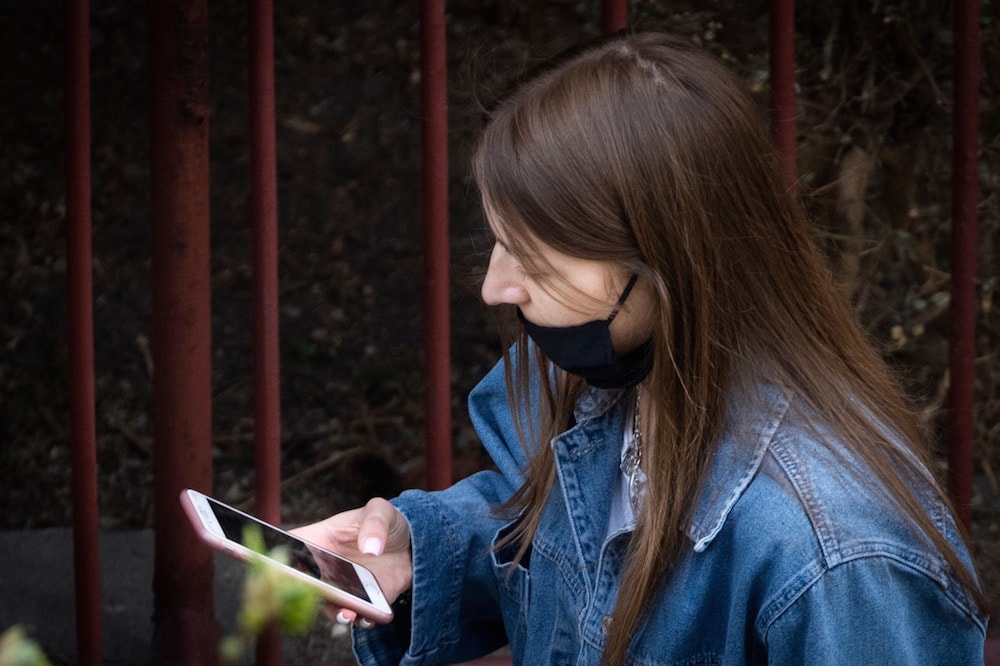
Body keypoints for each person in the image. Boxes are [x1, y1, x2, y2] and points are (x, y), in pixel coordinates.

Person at [294, 30, 988, 664]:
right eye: (499, 242)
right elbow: (558, 539)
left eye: (536, 264)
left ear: (669, 266)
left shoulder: (839, 554)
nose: (493, 288)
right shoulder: (597, 379)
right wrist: (419, 552)